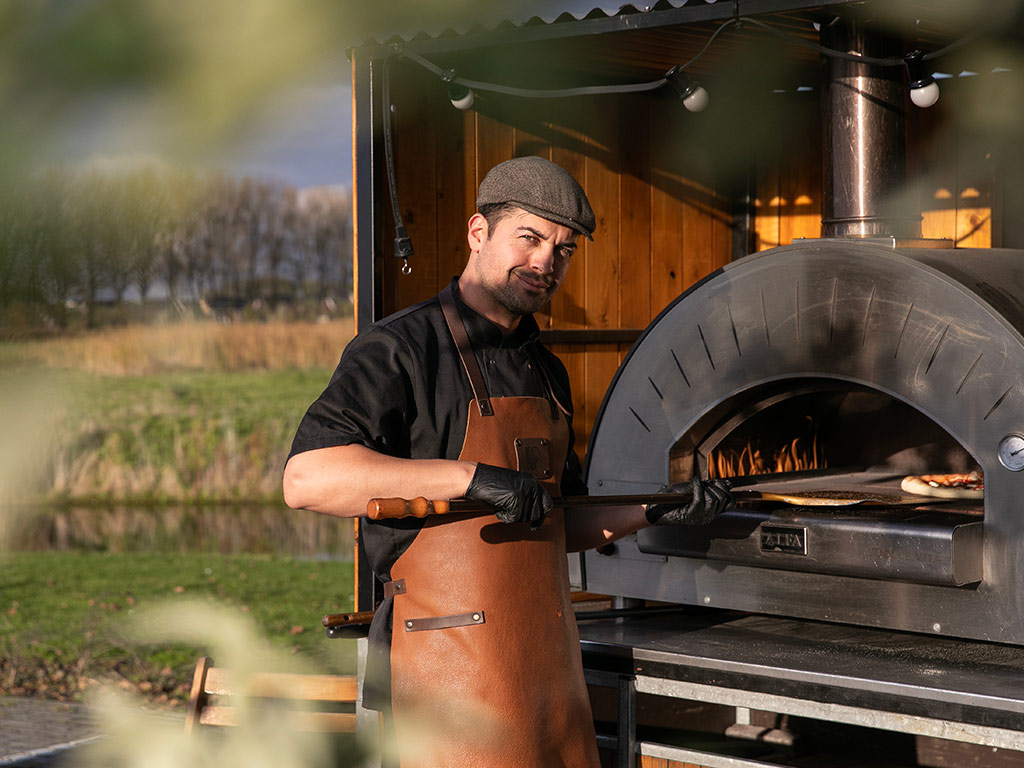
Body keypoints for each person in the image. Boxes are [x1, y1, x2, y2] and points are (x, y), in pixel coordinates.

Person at [283, 156, 731, 768]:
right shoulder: (398, 350)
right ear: (477, 232)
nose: (546, 262)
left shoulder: (546, 372)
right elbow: (307, 478)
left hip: (547, 672)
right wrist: (470, 479)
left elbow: (559, 522)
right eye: (530, 237)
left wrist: (656, 509)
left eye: (563, 250)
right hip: (443, 681)